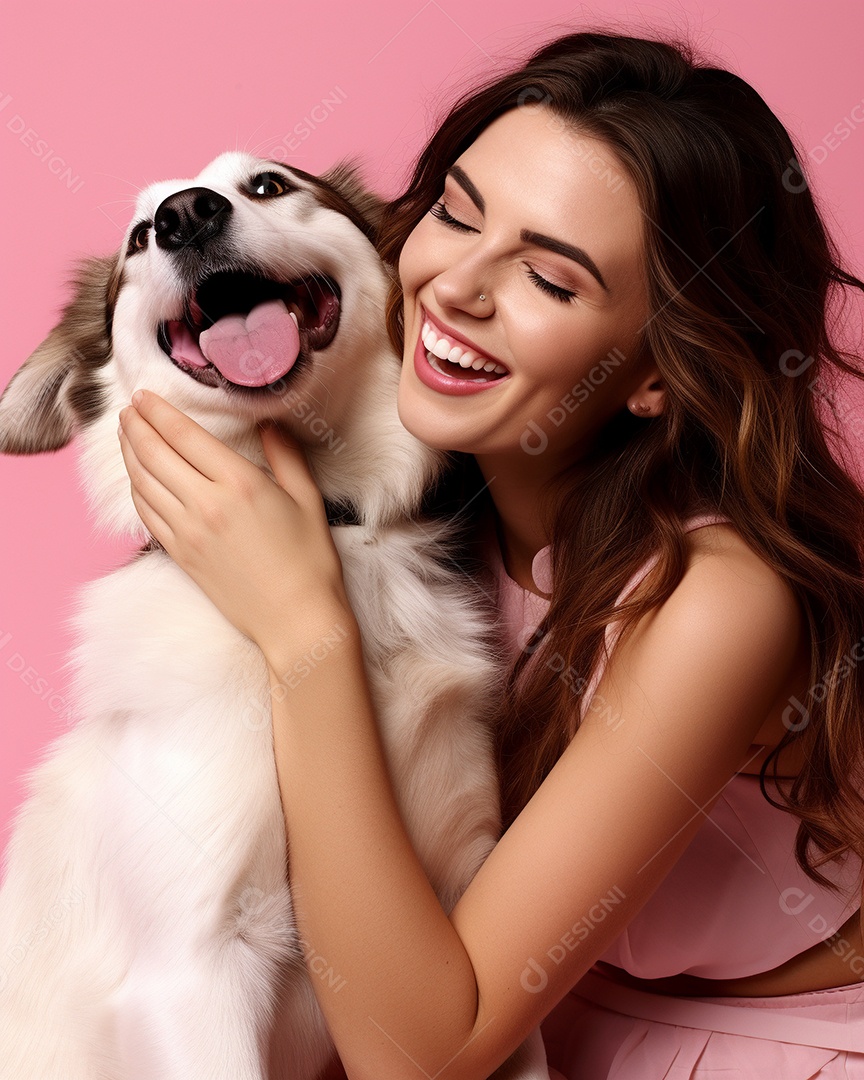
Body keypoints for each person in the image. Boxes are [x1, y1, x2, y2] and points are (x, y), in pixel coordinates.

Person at [116, 29, 864, 1080]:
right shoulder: (419, 502)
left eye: (549, 282)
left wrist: (304, 626)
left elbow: (422, 1055)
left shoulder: (716, 603)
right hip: (534, 1027)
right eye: (457, 213)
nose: (456, 286)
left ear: (656, 371)